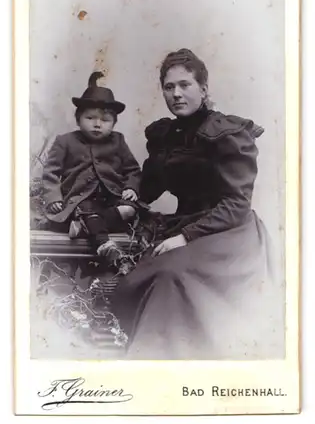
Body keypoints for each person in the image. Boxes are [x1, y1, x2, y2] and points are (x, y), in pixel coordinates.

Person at [112, 48, 281, 360]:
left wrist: (184, 237)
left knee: (170, 275)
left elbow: (236, 205)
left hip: (228, 234)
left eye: (185, 85)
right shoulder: (167, 135)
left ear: (203, 90)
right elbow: (150, 183)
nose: (176, 94)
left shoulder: (227, 134)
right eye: (169, 87)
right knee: (136, 278)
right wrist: (131, 198)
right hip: (186, 226)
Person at [42, 72, 142, 277]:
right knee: (86, 210)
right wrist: (54, 198)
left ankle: (83, 226)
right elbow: (51, 172)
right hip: (80, 200)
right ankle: (109, 251)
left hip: (110, 199)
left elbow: (133, 170)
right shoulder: (65, 141)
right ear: (78, 119)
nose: (98, 124)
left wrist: (131, 187)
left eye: (105, 120)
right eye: (90, 118)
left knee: (129, 211)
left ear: (113, 123)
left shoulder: (118, 141)